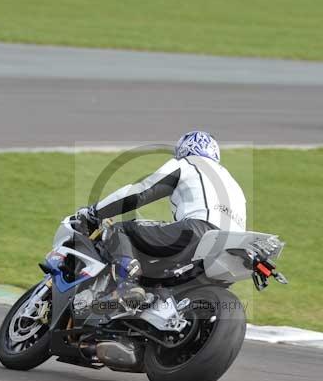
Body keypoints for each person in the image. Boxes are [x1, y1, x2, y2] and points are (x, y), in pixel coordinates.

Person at [77, 131, 247, 307]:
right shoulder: (233, 182)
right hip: (234, 246)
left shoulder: (187, 164)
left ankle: (127, 286)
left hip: (201, 231)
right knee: (163, 274)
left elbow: (140, 192)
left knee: (120, 230)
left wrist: (94, 212)